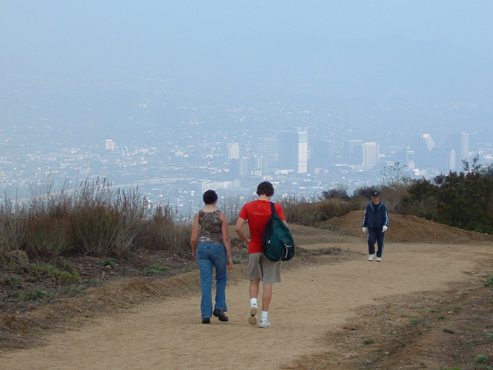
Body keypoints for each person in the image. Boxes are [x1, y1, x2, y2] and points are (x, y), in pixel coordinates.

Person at [234, 181, 288, 328]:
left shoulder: (248, 206)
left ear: (258, 192)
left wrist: (246, 240)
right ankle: (264, 319)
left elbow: (238, 227)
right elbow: (285, 229)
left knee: (254, 280)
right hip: (271, 251)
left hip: (254, 248)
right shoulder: (276, 207)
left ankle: (253, 302)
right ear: (271, 192)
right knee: (268, 283)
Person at [191, 190, 233, 324]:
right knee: (221, 278)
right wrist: (230, 257)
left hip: (202, 248)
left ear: (204, 200)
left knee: (205, 281)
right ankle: (219, 307)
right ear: (215, 200)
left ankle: (205, 314)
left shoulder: (199, 215)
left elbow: (193, 238)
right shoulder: (221, 215)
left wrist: (194, 250)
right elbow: (226, 238)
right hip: (218, 248)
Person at [362, 190, 389, 262]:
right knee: (370, 241)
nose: (375, 198)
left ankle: (379, 256)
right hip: (371, 227)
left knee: (380, 243)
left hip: (380, 228)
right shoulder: (369, 206)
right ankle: (371, 254)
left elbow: (385, 217)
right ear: (372, 198)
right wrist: (364, 226)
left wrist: (385, 225)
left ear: (379, 197)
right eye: (374, 197)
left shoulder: (383, 206)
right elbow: (366, 216)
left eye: (377, 197)